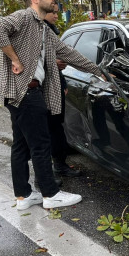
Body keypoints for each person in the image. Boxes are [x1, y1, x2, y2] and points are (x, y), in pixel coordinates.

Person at [0, 0, 105, 211]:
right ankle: (50, 194)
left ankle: (24, 195)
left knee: (21, 146)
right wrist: (14, 59)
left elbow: (68, 53)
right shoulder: (23, 17)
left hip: (21, 94)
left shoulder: (42, 29)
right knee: (41, 144)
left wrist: (98, 70)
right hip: (26, 91)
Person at [43, 9, 81, 179]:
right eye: (52, 12)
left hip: (55, 85)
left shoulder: (50, 31)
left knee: (56, 127)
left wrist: (63, 82)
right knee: (47, 130)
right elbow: (29, 61)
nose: (56, 16)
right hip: (41, 88)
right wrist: (52, 63)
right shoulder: (36, 31)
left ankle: (59, 165)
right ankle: (46, 173)